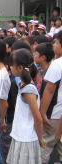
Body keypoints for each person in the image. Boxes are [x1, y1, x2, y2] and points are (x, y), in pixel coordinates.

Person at [7, 48, 44, 164]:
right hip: (21, 134)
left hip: (26, 137)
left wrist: (40, 138)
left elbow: (38, 118)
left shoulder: (28, 90)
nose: (10, 67)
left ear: (20, 68)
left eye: (11, 65)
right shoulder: (24, 84)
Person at [40, 31, 62, 164]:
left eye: (56, 42)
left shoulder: (57, 64)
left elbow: (49, 90)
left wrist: (42, 113)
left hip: (55, 113)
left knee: (44, 145)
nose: (54, 45)